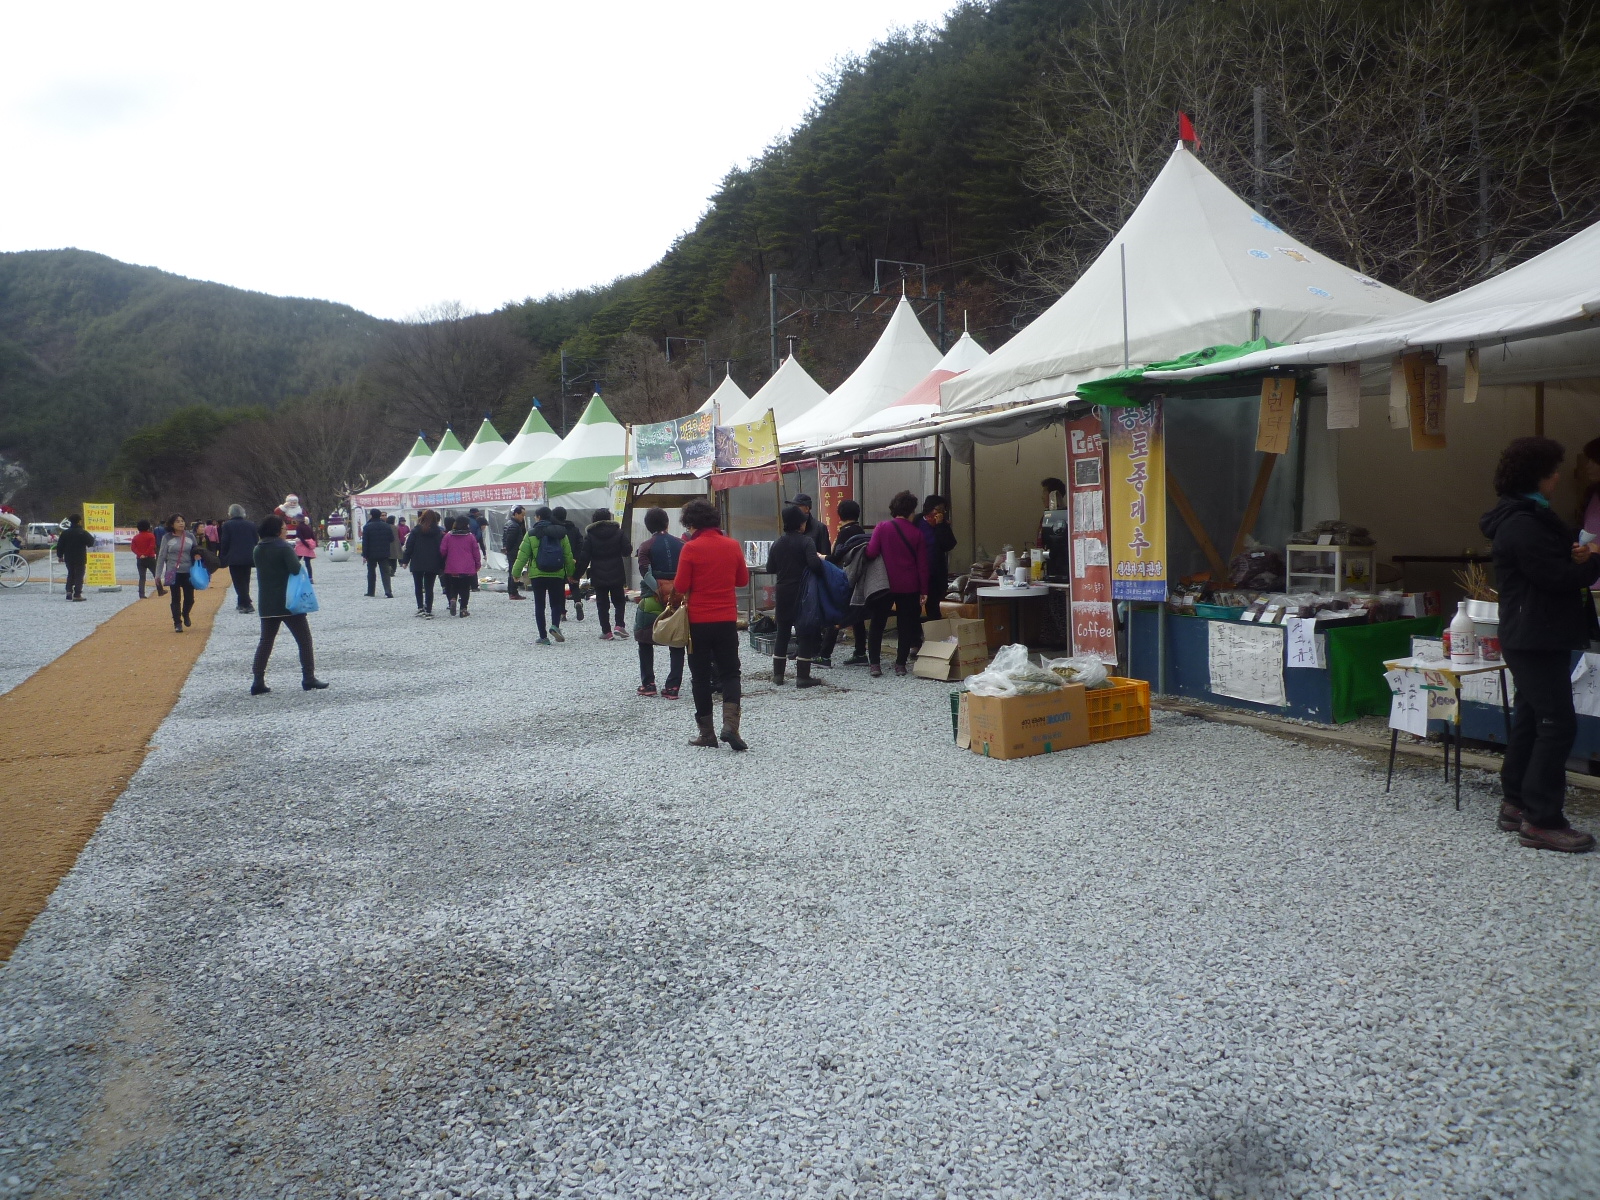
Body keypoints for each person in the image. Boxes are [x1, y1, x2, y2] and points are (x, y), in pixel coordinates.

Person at [1481, 437, 1600, 853]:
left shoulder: (1529, 516)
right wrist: (1592, 563)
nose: (1558, 477)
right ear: (1538, 476)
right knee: (1557, 723)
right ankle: (1543, 819)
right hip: (1535, 635)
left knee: (1532, 718)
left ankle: (1516, 802)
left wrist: (1578, 553)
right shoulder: (1522, 524)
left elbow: (1557, 561)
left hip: (1534, 632)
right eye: (1553, 471)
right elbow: (1555, 577)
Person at [668, 497, 750, 750]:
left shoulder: (690, 549)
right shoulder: (732, 545)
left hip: (698, 622)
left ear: (691, 524)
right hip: (726, 619)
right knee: (730, 673)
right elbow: (742, 580)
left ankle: (707, 734)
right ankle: (731, 726)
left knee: (700, 677)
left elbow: (681, 585)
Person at [250, 514, 327, 694]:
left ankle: (258, 680)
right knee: (304, 640)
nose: (286, 531)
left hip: (267, 602)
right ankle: (308, 677)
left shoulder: (258, 549)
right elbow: (295, 568)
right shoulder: (283, 547)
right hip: (289, 601)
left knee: (266, 641)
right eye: (284, 528)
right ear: (277, 530)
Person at [863, 490, 928, 677]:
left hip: (884, 584)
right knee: (905, 625)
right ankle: (900, 665)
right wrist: (924, 590)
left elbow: (871, 552)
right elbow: (923, 565)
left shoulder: (882, 527)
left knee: (878, 623)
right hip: (909, 585)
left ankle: (875, 664)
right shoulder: (917, 533)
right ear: (911, 511)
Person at [766, 505, 825, 688]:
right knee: (804, 632)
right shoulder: (806, 542)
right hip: (802, 591)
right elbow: (814, 565)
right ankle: (803, 677)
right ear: (800, 524)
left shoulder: (778, 543)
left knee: (782, 632)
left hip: (783, 591)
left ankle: (778, 675)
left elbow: (770, 568)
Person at [635, 507, 685, 697]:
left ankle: (648, 684)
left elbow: (645, 573)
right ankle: (673, 686)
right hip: (678, 599)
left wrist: (659, 590)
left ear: (648, 526)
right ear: (667, 523)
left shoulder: (646, 546)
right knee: (677, 640)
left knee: (644, 639)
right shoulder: (682, 544)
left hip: (651, 599)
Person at [513, 506, 576, 644]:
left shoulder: (531, 533)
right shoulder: (561, 533)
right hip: (557, 573)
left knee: (540, 605)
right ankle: (555, 626)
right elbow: (568, 556)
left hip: (538, 575)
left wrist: (516, 573)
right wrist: (571, 574)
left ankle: (543, 637)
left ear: (539, 517)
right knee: (556, 603)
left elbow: (522, 556)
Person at [823, 499, 871, 666]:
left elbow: (836, 557)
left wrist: (822, 556)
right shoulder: (861, 531)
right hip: (861, 579)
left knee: (836, 614)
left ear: (840, 515)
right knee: (857, 617)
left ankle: (824, 656)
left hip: (846, 579)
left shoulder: (845, 533)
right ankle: (860, 653)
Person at [584, 508, 632, 639]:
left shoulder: (590, 535)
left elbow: (584, 557)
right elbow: (627, 551)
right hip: (617, 571)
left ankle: (606, 631)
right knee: (619, 601)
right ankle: (619, 625)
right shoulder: (618, 532)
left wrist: (576, 575)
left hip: (598, 573)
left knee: (602, 603)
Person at [155, 514, 202, 632]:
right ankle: (177, 623)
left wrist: (197, 556)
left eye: (182, 521)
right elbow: (161, 556)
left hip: (188, 571)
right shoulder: (167, 538)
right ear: (172, 524)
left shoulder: (190, 536)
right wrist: (157, 575)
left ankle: (185, 613)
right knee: (175, 598)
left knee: (190, 598)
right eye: (177, 521)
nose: (181, 523)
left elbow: (196, 550)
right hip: (172, 571)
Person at [915, 494, 958, 620]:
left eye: (943, 510)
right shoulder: (917, 521)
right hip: (918, 571)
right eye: (938, 510)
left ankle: (934, 628)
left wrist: (940, 526)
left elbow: (949, 544)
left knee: (933, 607)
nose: (940, 513)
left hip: (936, 573)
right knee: (914, 607)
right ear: (929, 509)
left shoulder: (943, 525)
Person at [400, 509, 446, 617]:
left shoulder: (416, 530)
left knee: (418, 586)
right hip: (433, 562)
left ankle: (420, 607)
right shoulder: (438, 532)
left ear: (422, 518)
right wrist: (442, 564)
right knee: (429, 587)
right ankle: (428, 609)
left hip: (418, 561)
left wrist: (405, 561)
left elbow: (409, 546)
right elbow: (442, 549)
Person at [218, 504, 260, 613]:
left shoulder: (227, 525)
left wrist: (222, 556)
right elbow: (256, 540)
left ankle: (247, 603)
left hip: (234, 557)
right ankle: (241, 602)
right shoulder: (251, 524)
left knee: (238, 581)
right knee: (245, 580)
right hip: (249, 556)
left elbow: (225, 542)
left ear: (230, 513)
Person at [440, 517, 483, 617]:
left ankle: (453, 599)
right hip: (467, 567)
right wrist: (477, 564)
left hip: (451, 567)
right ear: (467, 525)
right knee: (465, 588)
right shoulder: (470, 537)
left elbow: (442, 550)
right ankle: (463, 609)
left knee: (453, 585)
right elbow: (476, 552)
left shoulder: (448, 536)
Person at [552, 506, 587, 621]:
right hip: (572, 561)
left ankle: (562, 613)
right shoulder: (573, 528)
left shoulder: (554, 529)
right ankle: (577, 602)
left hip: (558, 562)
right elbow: (580, 544)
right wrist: (576, 558)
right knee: (574, 583)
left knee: (559, 588)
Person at [55, 515, 95, 602]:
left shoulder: (65, 533)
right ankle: (77, 594)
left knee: (71, 573)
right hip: (80, 557)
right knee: (79, 576)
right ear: (79, 521)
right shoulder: (82, 532)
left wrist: (60, 556)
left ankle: (69, 591)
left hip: (68, 557)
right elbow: (91, 542)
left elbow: (60, 546)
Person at [362, 510, 396, 597]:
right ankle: (388, 591)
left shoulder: (367, 527)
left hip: (371, 554)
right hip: (384, 553)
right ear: (380, 516)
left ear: (371, 516)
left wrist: (364, 555)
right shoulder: (386, 526)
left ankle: (371, 591)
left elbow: (365, 543)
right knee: (385, 573)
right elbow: (391, 539)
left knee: (371, 572)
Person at [502, 506, 529, 599]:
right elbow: (510, 541)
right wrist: (509, 550)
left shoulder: (509, 523)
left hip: (511, 552)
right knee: (514, 572)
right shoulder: (514, 526)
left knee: (512, 572)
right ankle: (513, 592)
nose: (523, 517)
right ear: (516, 514)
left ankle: (512, 592)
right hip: (514, 552)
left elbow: (505, 539)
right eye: (522, 515)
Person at [131, 519, 158, 599]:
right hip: (150, 558)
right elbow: (151, 546)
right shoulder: (151, 536)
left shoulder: (135, 537)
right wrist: (146, 554)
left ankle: (141, 594)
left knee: (142, 577)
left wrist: (140, 554)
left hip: (140, 559)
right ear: (148, 527)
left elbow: (133, 548)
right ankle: (160, 590)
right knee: (156, 574)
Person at [293, 516, 318, 582]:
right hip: (308, 545)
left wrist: (305, 544)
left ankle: (295, 576)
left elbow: (300, 537)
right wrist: (311, 544)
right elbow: (313, 536)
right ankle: (310, 578)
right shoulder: (308, 527)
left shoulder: (299, 527)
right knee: (308, 563)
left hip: (301, 545)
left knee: (296, 561)